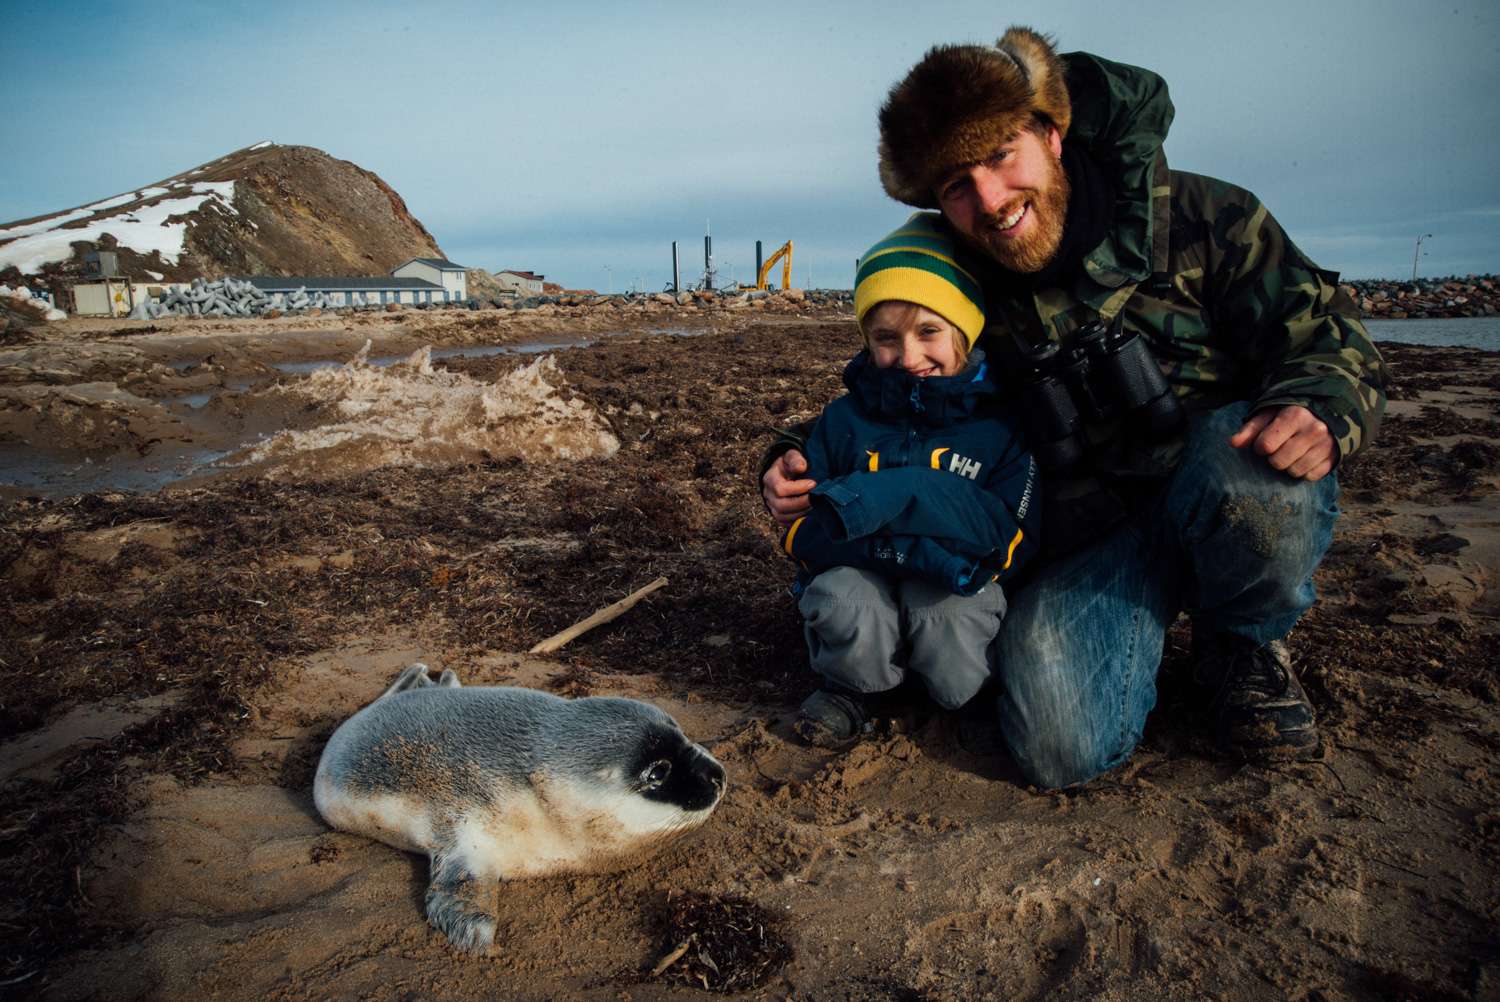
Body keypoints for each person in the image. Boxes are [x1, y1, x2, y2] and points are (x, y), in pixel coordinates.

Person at [762, 27, 1386, 788]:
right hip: (1090, 545)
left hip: (1215, 490)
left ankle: (1244, 646)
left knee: (1253, 467)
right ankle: (1134, 635)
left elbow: (1324, 337)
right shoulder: (962, 277)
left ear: (1052, 135)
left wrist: (1320, 405)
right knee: (1059, 749)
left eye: (1000, 156)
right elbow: (897, 383)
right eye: (956, 184)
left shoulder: (1203, 216)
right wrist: (798, 454)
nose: (989, 200)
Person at [783, 215, 1041, 747]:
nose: (908, 356)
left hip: (950, 584)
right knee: (841, 597)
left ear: (963, 330)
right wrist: (888, 550)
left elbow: (1012, 534)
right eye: (885, 338)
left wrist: (901, 511)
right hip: (861, 577)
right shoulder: (842, 420)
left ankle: (965, 699)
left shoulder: (1002, 427)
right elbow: (803, 526)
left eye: (929, 331)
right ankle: (853, 689)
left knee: (948, 607)